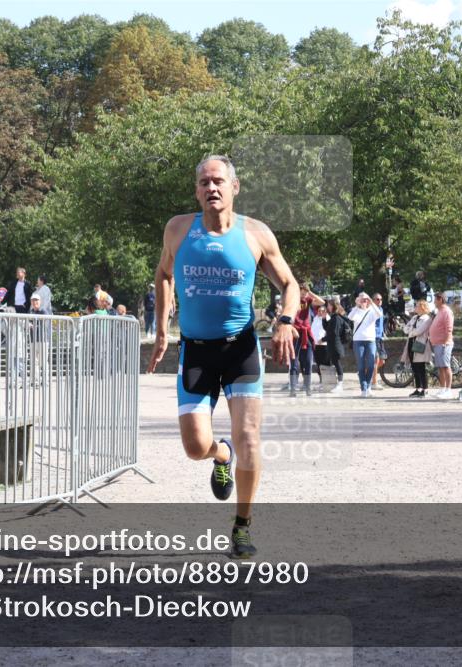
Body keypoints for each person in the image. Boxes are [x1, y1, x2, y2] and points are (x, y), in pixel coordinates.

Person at [147, 155, 299, 559]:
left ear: (235, 186)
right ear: (196, 190)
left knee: (250, 437)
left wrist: (285, 320)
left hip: (241, 349)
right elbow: (163, 275)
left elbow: (290, 284)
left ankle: (242, 526)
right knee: (196, 447)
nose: (211, 188)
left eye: (218, 181)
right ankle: (222, 455)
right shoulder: (178, 230)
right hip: (196, 350)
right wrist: (163, 329)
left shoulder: (256, 234)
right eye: (203, 183)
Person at [290, 285, 325, 397]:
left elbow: (322, 302)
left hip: (307, 333)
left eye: (306, 292)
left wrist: (311, 292)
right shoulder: (292, 300)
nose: (304, 293)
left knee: (308, 362)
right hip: (296, 332)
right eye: (302, 291)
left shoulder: (308, 300)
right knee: (294, 362)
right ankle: (293, 388)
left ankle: (308, 387)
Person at [348, 292, 383, 397]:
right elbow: (350, 317)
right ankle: (364, 388)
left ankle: (368, 386)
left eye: (366, 299)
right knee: (361, 364)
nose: (364, 301)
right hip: (358, 340)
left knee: (371, 364)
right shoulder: (356, 311)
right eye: (362, 299)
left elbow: (380, 314)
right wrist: (357, 304)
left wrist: (371, 302)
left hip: (370, 340)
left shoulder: (372, 310)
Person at [402, 299, 433, 397]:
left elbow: (419, 331)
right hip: (411, 342)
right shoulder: (414, 317)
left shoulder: (427, 319)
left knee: (421, 367)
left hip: (420, 344)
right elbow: (405, 329)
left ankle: (425, 389)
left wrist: (411, 331)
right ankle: (418, 388)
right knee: (414, 367)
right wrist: (411, 331)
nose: (415, 307)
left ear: (422, 307)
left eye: (417, 306)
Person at [428, 291, 455, 399]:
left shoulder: (447, 311)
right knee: (440, 367)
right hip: (437, 343)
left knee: (445, 366)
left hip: (444, 344)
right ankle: (442, 388)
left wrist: (445, 342)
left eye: (435, 299)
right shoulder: (440, 311)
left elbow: (449, 328)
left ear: (440, 299)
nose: (434, 302)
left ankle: (448, 390)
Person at [320, 299, 348, 393]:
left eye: (329, 305)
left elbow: (333, 334)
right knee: (333, 364)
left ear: (333, 306)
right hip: (333, 345)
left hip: (336, 346)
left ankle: (340, 384)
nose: (327, 307)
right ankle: (331, 383)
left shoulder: (336, 318)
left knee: (337, 364)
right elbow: (327, 328)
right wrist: (324, 318)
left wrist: (323, 339)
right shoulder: (333, 317)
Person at [370, 293, 388, 390]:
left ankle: (366, 371)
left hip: (380, 337)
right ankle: (374, 382)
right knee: (376, 360)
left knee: (382, 361)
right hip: (374, 337)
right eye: (377, 299)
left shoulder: (380, 309)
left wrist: (383, 333)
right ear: (373, 300)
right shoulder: (372, 310)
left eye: (381, 299)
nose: (379, 301)